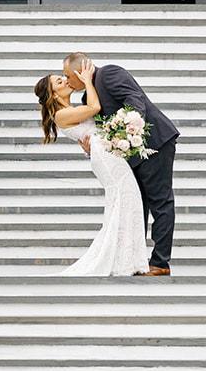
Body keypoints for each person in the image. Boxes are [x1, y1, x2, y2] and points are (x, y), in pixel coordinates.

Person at [63, 50, 179, 278]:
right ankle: (136, 260)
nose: (67, 80)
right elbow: (99, 131)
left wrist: (129, 131)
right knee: (139, 204)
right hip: (130, 154)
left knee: (160, 202)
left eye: (67, 75)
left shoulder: (109, 74)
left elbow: (135, 101)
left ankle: (160, 262)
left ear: (80, 71)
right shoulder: (88, 99)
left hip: (154, 142)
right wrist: (92, 146)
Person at [33, 59, 150, 277]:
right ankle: (124, 261)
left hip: (104, 152)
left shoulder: (69, 110)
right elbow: (94, 108)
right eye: (60, 81)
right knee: (124, 197)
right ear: (53, 94)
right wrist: (87, 80)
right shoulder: (61, 114)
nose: (66, 81)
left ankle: (129, 259)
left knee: (126, 199)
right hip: (105, 157)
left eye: (64, 78)